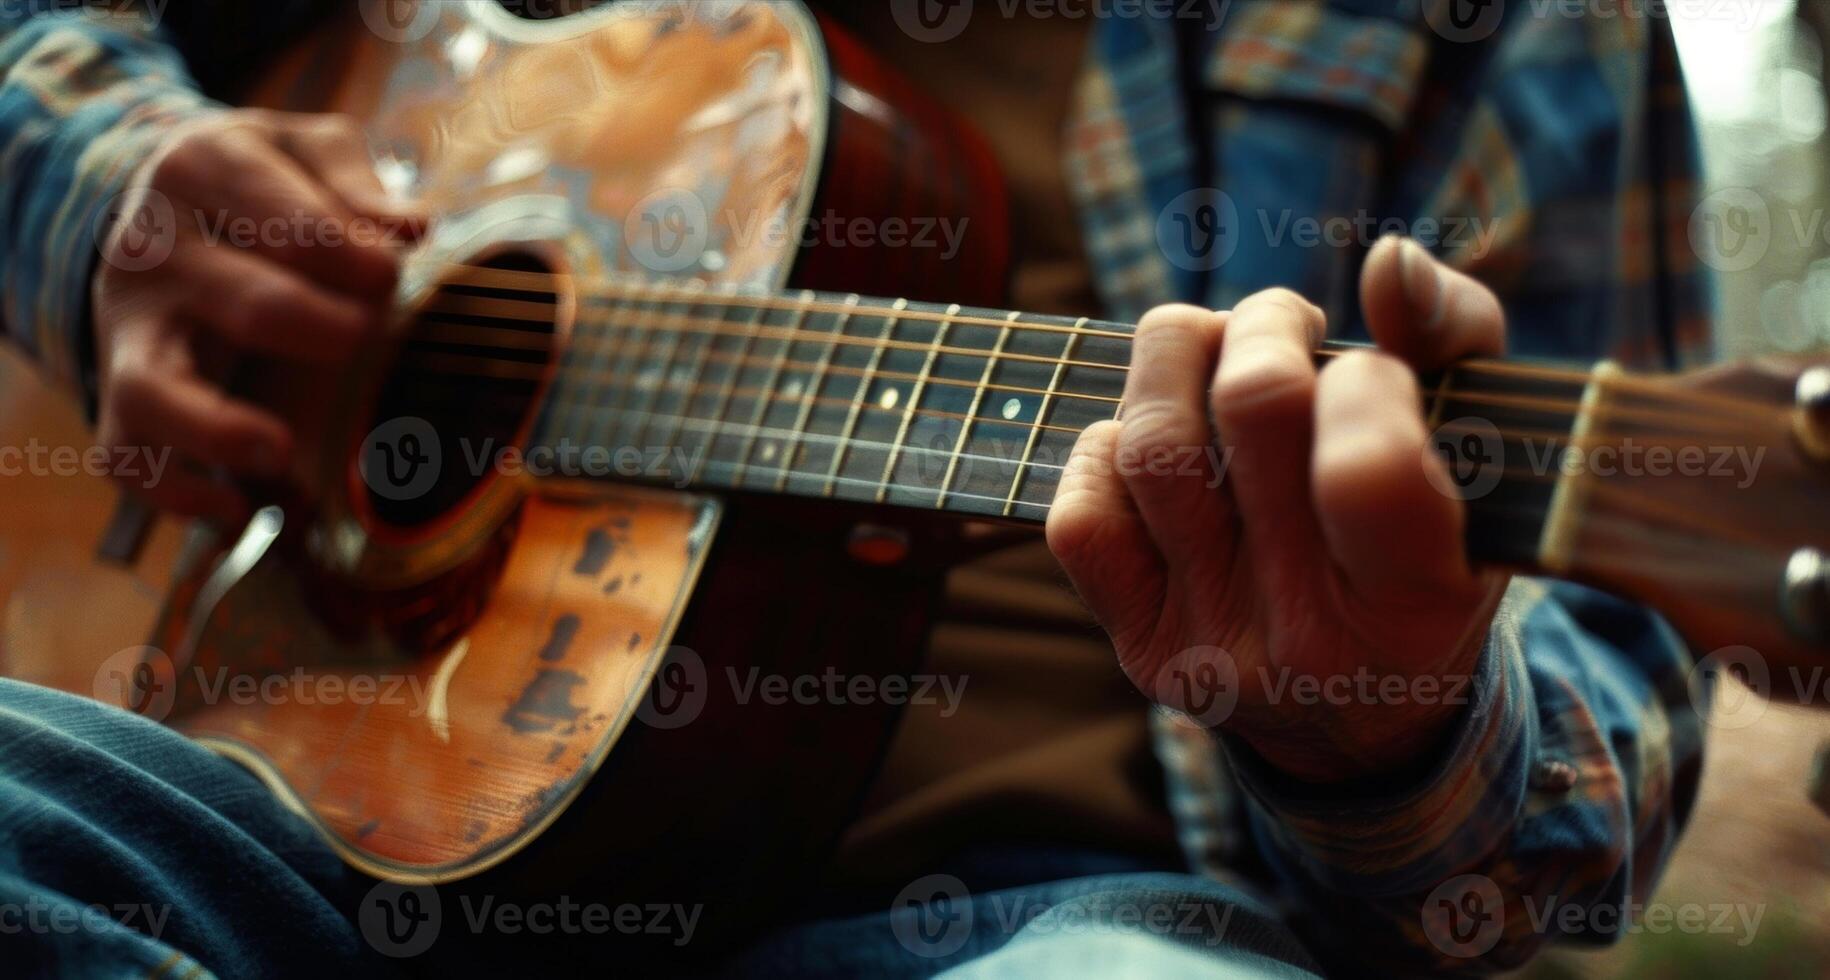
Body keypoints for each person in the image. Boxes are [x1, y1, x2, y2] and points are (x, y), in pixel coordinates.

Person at [0, 0, 1711, 976]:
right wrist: (90, 184)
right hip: (256, 815)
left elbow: (1604, 736)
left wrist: (1389, 726)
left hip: (1025, 915)